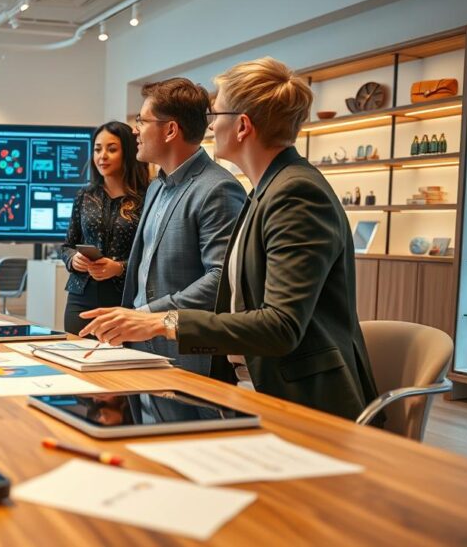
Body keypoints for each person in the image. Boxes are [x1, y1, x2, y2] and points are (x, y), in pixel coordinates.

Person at [80, 58, 382, 422]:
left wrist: (162, 322)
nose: (209, 125)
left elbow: (280, 326)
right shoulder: (266, 189)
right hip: (256, 389)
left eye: (217, 113)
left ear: (242, 126)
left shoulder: (296, 193)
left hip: (302, 404)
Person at [110, 77, 246, 373]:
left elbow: (221, 279)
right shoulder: (156, 186)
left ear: (170, 130)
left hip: (188, 355)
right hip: (142, 344)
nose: (135, 130)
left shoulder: (218, 188)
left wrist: (149, 317)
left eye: (141, 121)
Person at [60, 121, 149, 335]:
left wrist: (119, 268)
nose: (102, 156)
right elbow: (67, 246)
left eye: (112, 149)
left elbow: (152, 256)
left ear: (127, 152)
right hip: (80, 297)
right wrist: (73, 259)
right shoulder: (85, 195)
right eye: (98, 149)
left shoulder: (147, 197)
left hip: (124, 300)